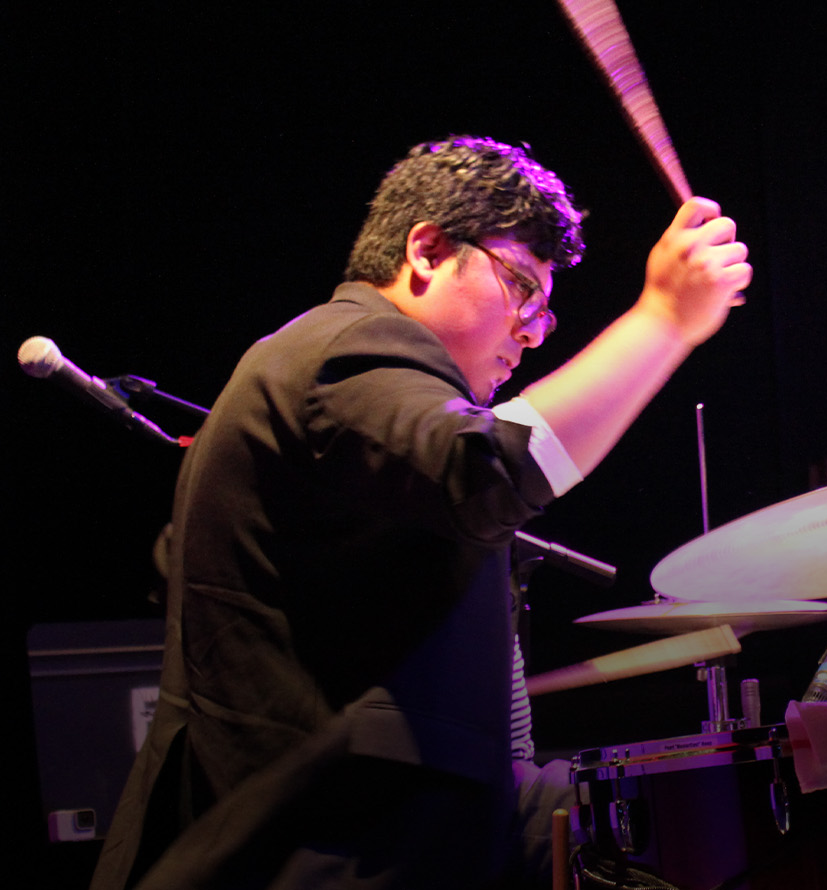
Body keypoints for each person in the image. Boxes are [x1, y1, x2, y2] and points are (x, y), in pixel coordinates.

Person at [91, 135, 751, 890]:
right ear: (428, 251)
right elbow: (489, 469)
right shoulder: (345, 348)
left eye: (545, 309)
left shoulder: (348, 405)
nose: (533, 331)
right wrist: (663, 318)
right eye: (521, 289)